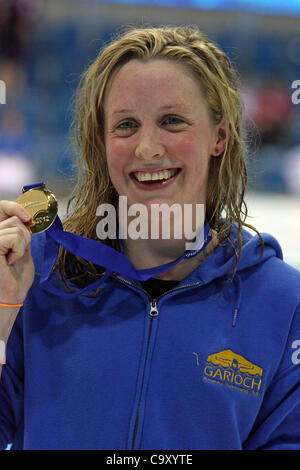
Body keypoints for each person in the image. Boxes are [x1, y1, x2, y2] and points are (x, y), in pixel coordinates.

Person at [0, 25, 300, 451]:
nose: (147, 148)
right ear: (101, 144)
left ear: (220, 137)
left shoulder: (283, 302)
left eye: (172, 121)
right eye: (125, 125)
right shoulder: (35, 273)